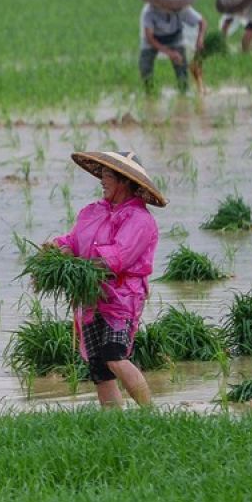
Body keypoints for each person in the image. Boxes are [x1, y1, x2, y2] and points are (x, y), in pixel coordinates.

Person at [52, 152, 165, 409]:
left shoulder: (140, 220)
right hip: (91, 299)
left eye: (108, 176)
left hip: (121, 298)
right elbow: (73, 241)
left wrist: (77, 266)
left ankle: (151, 414)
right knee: (99, 367)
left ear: (124, 181)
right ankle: (112, 423)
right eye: (102, 174)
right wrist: (58, 249)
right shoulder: (93, 211)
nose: (102, 180)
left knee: (114, 356)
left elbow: (117, 258)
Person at [139, 0, 208, 93]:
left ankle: (184, 92)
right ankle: (149, 93)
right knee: (145, 66)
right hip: (152, 39)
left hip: (175, 36)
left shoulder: (182, 9)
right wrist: (170, 53)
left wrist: (200, 39)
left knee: (181, 67)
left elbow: (202, 22)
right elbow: (149, 38)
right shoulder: (149, 12)